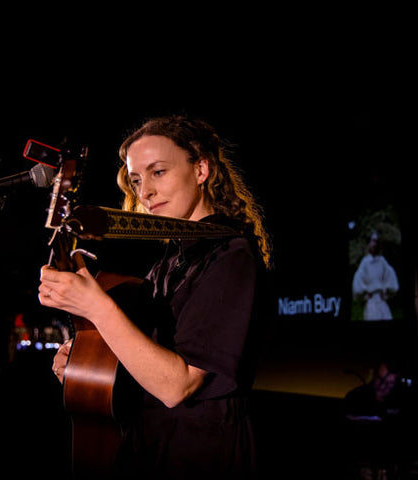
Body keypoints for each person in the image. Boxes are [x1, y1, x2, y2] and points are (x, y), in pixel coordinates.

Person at [39, 115, 273, 479]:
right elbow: (138, 363)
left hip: (201, 459)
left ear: (201, 170)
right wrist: (85, 358)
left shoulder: (232, 257)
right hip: (148, 449)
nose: (144, 191)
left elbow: (177, 385)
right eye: (136, 179)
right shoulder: (170, 262)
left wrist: (96, 308)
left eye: (158, 172)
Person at [352, 230, 399, 321]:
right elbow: (358, 280)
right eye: (372, 241)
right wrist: (365, 292)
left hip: (382, 301)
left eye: (376, 241)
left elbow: (390, 277)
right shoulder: (365, 262)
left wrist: (386, 291)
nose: (374, 244)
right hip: (371, 302)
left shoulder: (382, 261)